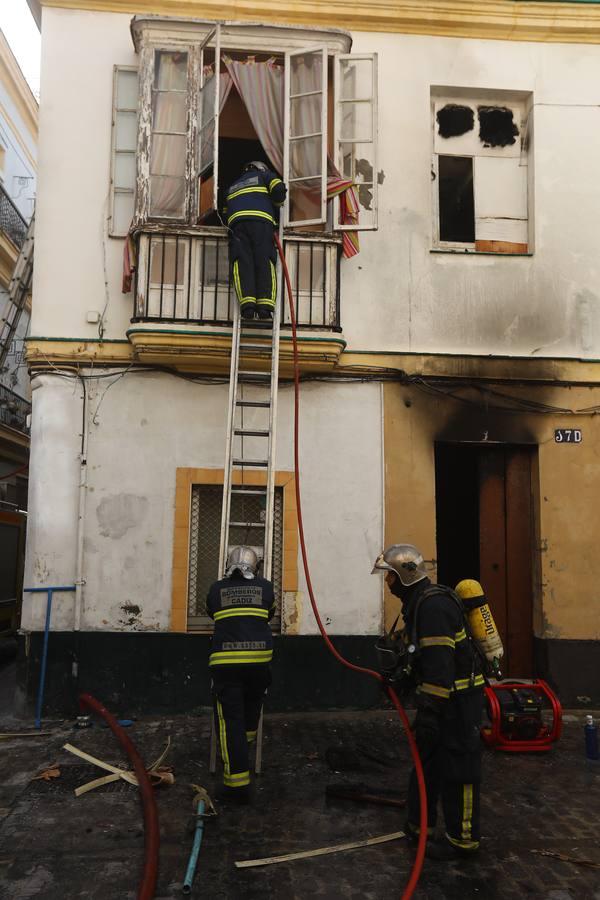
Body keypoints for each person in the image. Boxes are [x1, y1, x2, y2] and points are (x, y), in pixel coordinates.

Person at [372, 544, 485, 860]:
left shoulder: (433, 607)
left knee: (460, 769)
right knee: (427, 763)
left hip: (458, 702)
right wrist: (401, 681)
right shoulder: (418, 604)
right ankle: (420, 827)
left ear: (404, 576)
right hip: (441, 699)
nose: (387, 583)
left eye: (390, 576)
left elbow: (440, 667)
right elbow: (419, 656)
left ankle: (463, 840)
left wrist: (430, 714)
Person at [207, 546, 276, 802]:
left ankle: (236, 785)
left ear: (228, 564)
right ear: (255, 566)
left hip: (226, 666)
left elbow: (212, 613)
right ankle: (244, 747)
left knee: (230, 720)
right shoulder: (266, 588)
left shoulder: (216, 589)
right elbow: (269, 614)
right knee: (251, 707)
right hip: (259, 663)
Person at [224, 161, 287, 320]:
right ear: (261, 169)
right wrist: (277, 205)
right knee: (264, 260)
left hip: (237, 225)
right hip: (261, 222)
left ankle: (248, 307)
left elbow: (224, 211)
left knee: (243, 263)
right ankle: (265, 307)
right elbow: (279, 190)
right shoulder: (265, 176)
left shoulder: (232, 186)